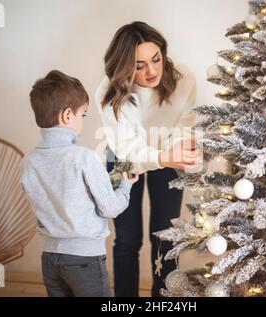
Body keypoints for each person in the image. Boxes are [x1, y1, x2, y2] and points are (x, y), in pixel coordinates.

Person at [95, 21, 202, 297]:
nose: (152, 70)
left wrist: (174, 153)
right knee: (127, 239)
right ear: (124, 67)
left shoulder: (184, 78)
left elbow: (184, 126)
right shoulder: (107, 92)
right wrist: (163, 157)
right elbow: (126, 149)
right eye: (139, 65)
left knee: (166, 236)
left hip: (169, 154)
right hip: (122, 156)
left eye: (156, 59)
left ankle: (163, 299)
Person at [21, 70, 139, 297]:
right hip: (85, 260)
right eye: (82, 115)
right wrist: (126, 185)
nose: (82, 120)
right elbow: (110, 208)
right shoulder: (84, 157)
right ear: (67, 116)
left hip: (49, 258)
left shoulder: (29, 161)